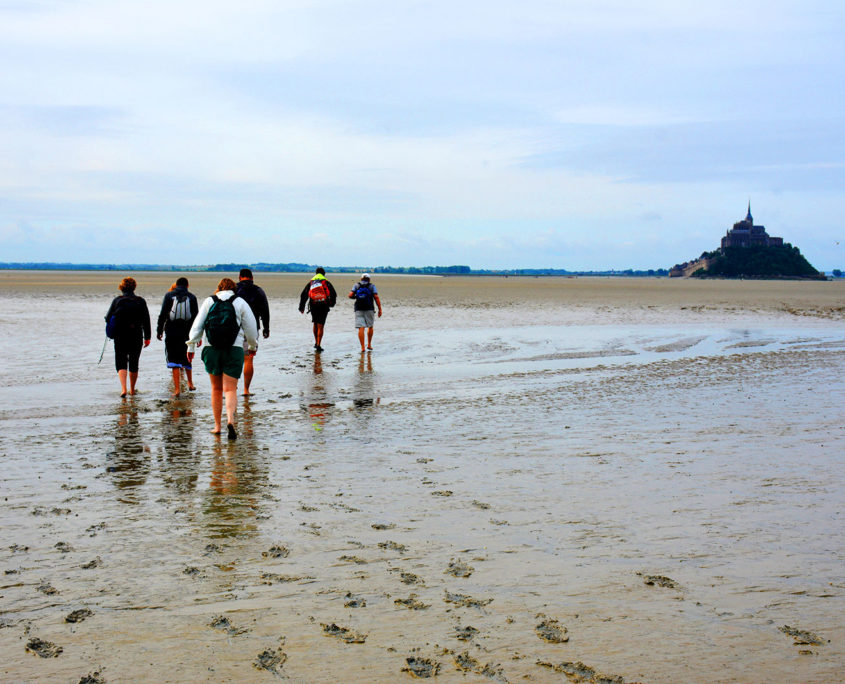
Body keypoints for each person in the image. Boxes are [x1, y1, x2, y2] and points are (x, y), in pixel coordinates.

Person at [187, 278, 258, 440]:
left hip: (211, 349)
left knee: (216, 389)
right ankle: (231, 421)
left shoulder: (209, 301)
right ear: (234, 289)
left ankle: (218, 426)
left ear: (218, 288)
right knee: (230, 389)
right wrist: (253, 347)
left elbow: (197, 326)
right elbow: (251, 328)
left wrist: (191, 346)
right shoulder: (240, 302)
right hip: (234, 349)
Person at [104, 277, 151, 397]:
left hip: (120, 335)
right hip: (136, 334)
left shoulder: (117, 300)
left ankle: (123, 389)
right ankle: (132, 389)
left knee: (121, 361)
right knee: (134, 363)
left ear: (122, 287)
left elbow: (108, 317)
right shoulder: (141, 301)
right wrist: (147, 336)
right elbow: (146, 320)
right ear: (134, 287)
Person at [156, 277, 199, 397]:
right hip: (188, 332)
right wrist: (198, 336)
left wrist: (159, 330)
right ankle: (190, 383)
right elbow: (196, 317)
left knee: (174, 361)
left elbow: (163, 314)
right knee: (187, 357)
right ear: (187, 286)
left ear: (176, 285)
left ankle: (177, 390)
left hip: (172, 332)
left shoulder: (169, 296)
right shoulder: (192, 297)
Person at [235, 268, 270, 396]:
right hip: (252, 327)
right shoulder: (258, 291)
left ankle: (232, 388)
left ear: (240, 277)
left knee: (233, 359)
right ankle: (246, 390)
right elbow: (265, 311)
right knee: (249, 359)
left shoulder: (234, 289)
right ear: (252, 277)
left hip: (234, 327)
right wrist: (266, 328)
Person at [298, 267, 337, 352]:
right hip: (323, 305)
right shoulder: (326, 282)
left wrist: (301, 307)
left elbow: (304, 295)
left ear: (316, 273)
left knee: (315, 323)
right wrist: (332, 304)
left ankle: (316, 342)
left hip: (313, 305)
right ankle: (319, 344)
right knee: (321, 325)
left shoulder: (311, 283)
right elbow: (334, 294)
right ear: (324, 274)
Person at [348, 273, 382, 352]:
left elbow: (350, 295)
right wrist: (380, 309)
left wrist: (356, 297)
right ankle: (369, 345)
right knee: (370, 326)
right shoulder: (372, 286)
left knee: (361, 327)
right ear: (369, 279)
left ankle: (362, 347)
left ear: (361, 279)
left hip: (358, 308)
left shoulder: (356, 285)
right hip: (369, 308)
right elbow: (376, 297)